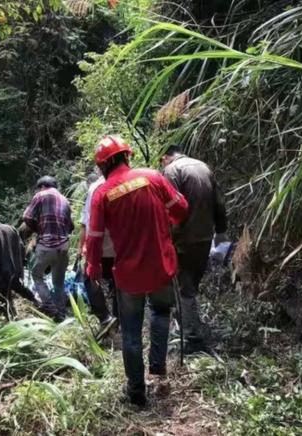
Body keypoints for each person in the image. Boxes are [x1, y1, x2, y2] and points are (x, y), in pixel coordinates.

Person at [85, 135, 188, 406]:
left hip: (129, 274)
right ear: (127, 156)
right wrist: (168, 223)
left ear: (102, 166)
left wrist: (93, 268)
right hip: (162, 265)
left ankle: (136, 391)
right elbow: (181, 207)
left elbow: (94, 238)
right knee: (161, 312)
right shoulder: (152, 177)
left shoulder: (102, 193)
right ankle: (158, 367)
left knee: (131, 332)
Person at [161, 146, 228, 354]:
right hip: (205, 236)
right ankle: (187, 323)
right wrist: (221, 230)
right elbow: (219, 202)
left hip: (183, 237)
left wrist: (165, 235)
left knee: (185, 288)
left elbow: (170, 206)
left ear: (165, 158)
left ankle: (191, 337)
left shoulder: (172, 171)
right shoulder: (204, 167)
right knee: (190, 285)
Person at [20, 176, 74, 321]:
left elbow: (27, 217)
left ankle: (50, 308)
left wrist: (38, 229)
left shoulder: (40, 195)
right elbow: (71, 227)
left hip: (46, 246)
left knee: (37, 275)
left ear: (42, 186)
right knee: (59, 283)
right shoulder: (65, 200)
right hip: (63, 247)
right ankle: (61, 314)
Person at [78, 168, 117, 334]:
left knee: (89, 279)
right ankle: (119, 320)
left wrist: (83, 249)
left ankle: (105, 318)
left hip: (101, 248)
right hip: (122, 249)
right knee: (117, 284)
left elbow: (88, 223)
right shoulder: (132, 182)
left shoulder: (96, 187)